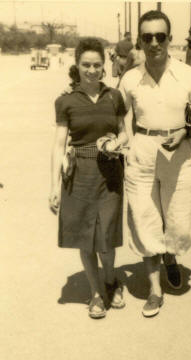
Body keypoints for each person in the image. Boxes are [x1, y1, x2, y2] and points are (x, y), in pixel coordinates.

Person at [114, 10, 191, 317]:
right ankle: (155, 291)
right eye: (147, 37)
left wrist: (184, 132)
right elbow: (119, 114)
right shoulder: (129, 79)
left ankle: (170, 256)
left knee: (177, 222)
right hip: (142, 152)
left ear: (170, 38)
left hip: (180, 154)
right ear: (140, 41)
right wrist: (125, 140)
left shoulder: (187, 75)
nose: (154, 43)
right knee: (144, 219)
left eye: (160, 36)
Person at [49, 38, 128, 319]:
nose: (92, 70)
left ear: (104, 66)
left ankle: (111, 281)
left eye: (97, 65)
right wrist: (53, 187)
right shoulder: (65, 101)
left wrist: (116, 142)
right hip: (79, 173)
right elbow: (59, 145)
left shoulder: (114, 97)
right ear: (77, 66)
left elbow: (124, 131)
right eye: (86, 65)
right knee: (86, 238)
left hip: (110, 173)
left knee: (106, 237)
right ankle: (95, 293)